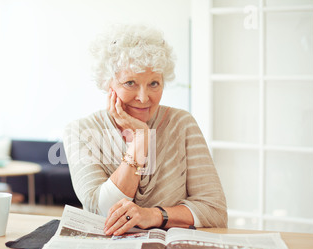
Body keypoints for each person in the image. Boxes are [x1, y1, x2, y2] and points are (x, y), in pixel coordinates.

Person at [63, 24, 227, 236]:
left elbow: (215, 211)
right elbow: (101, 212)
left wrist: (154, 215)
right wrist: (140, 140)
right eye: (130, 83)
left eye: (154, 84)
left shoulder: (182, 124)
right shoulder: (80, 131)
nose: (143, 97)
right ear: (108, 83)